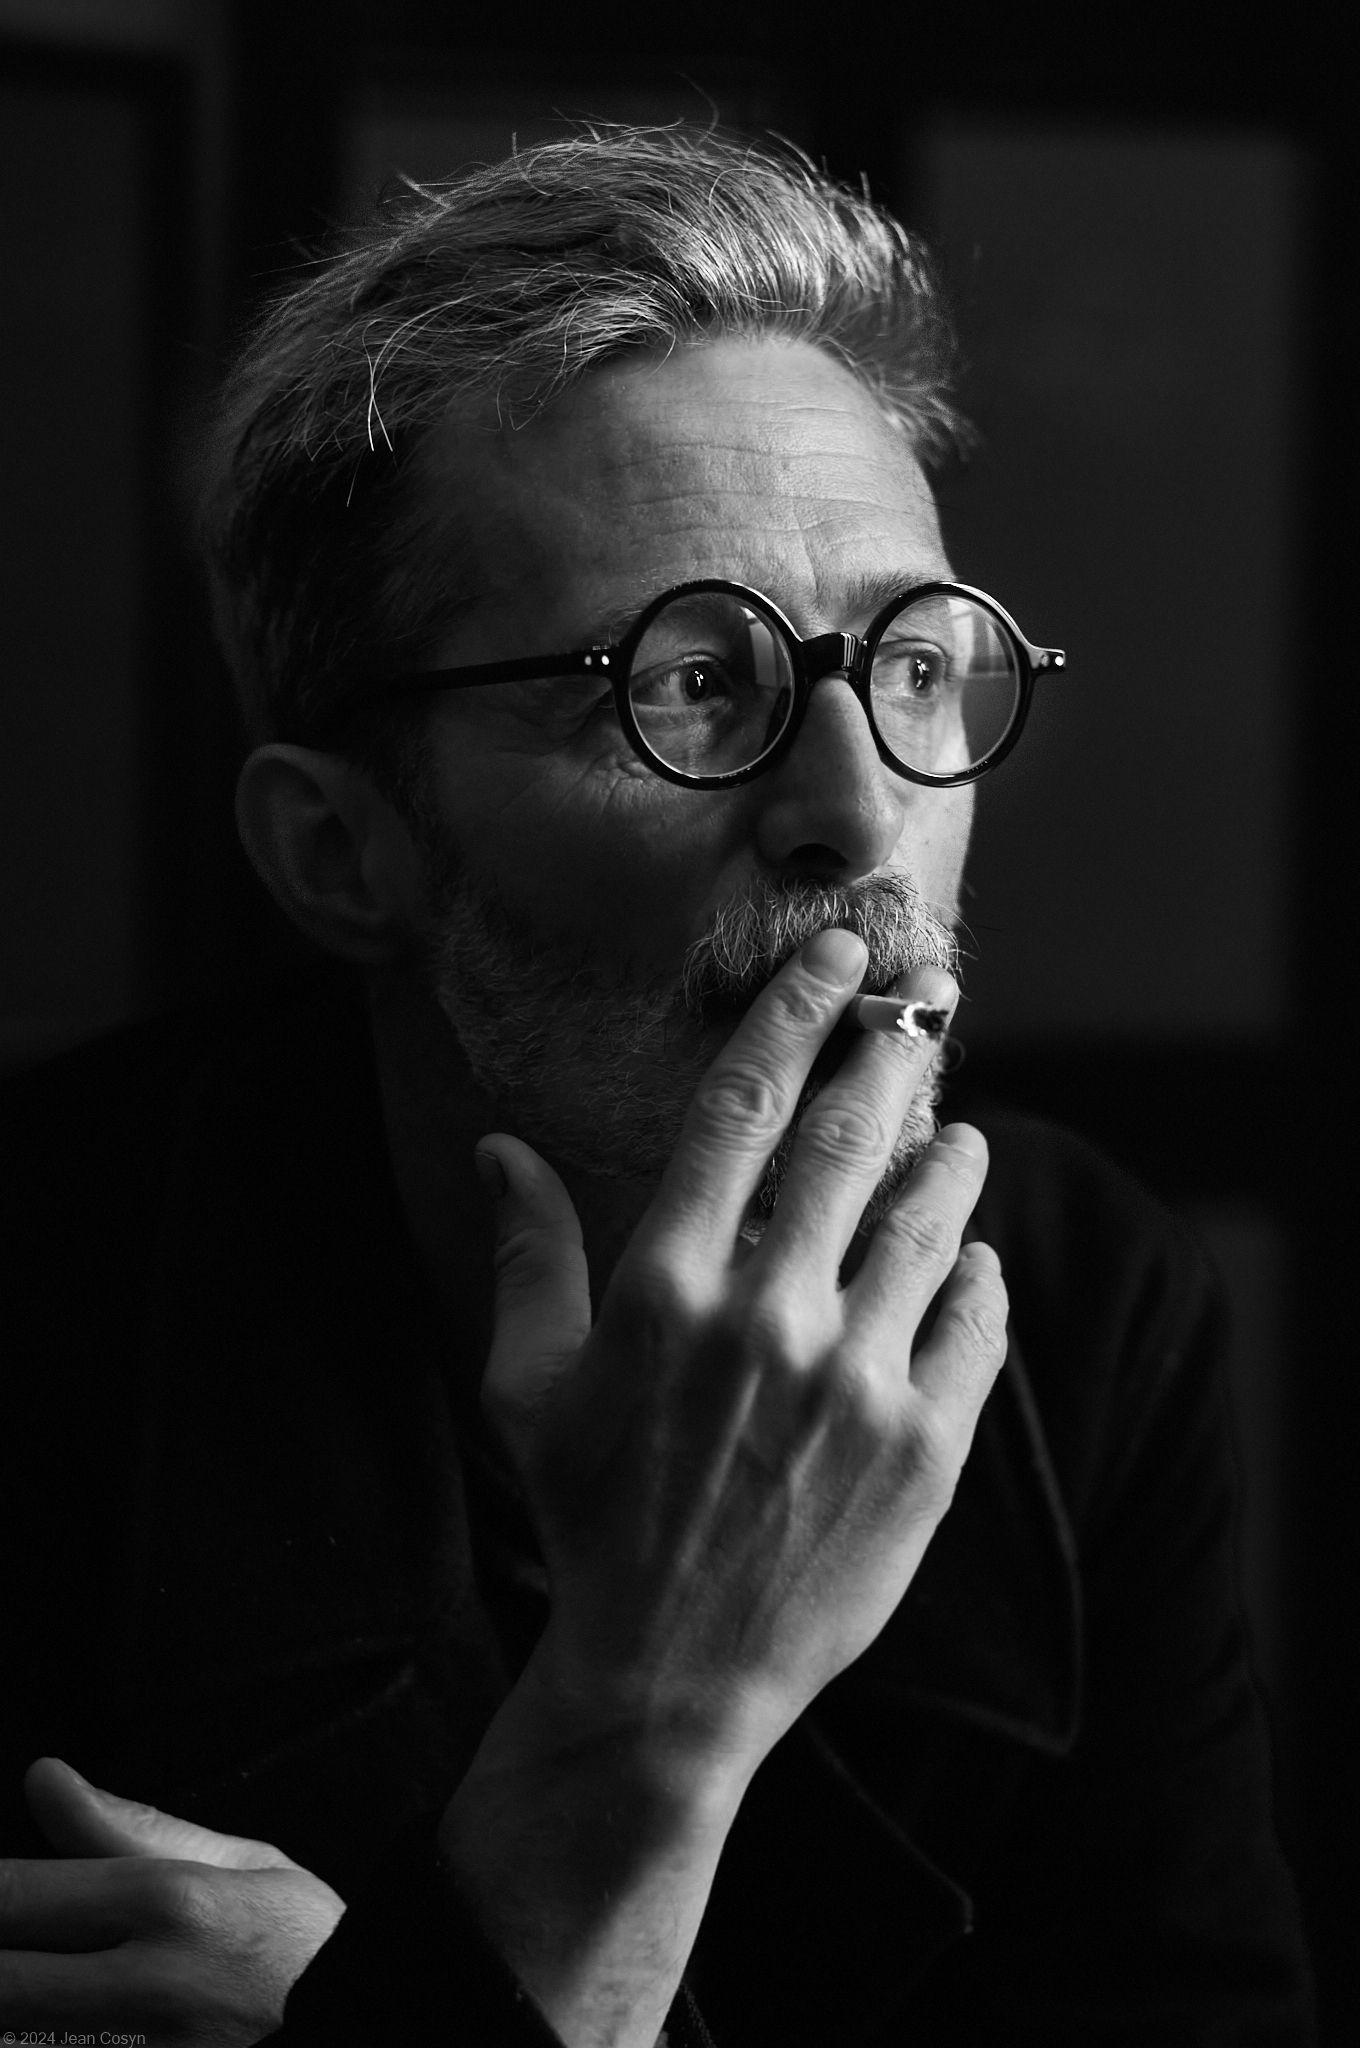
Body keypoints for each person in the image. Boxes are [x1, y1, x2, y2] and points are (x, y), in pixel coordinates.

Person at [0, 125, 1314, 2045]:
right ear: (342, 853)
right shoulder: (45, 1317)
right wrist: (643, 1732)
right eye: (686, 686)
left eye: (916, 667)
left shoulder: (1070, 1302)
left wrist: (361, 2018)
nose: (858, 810)